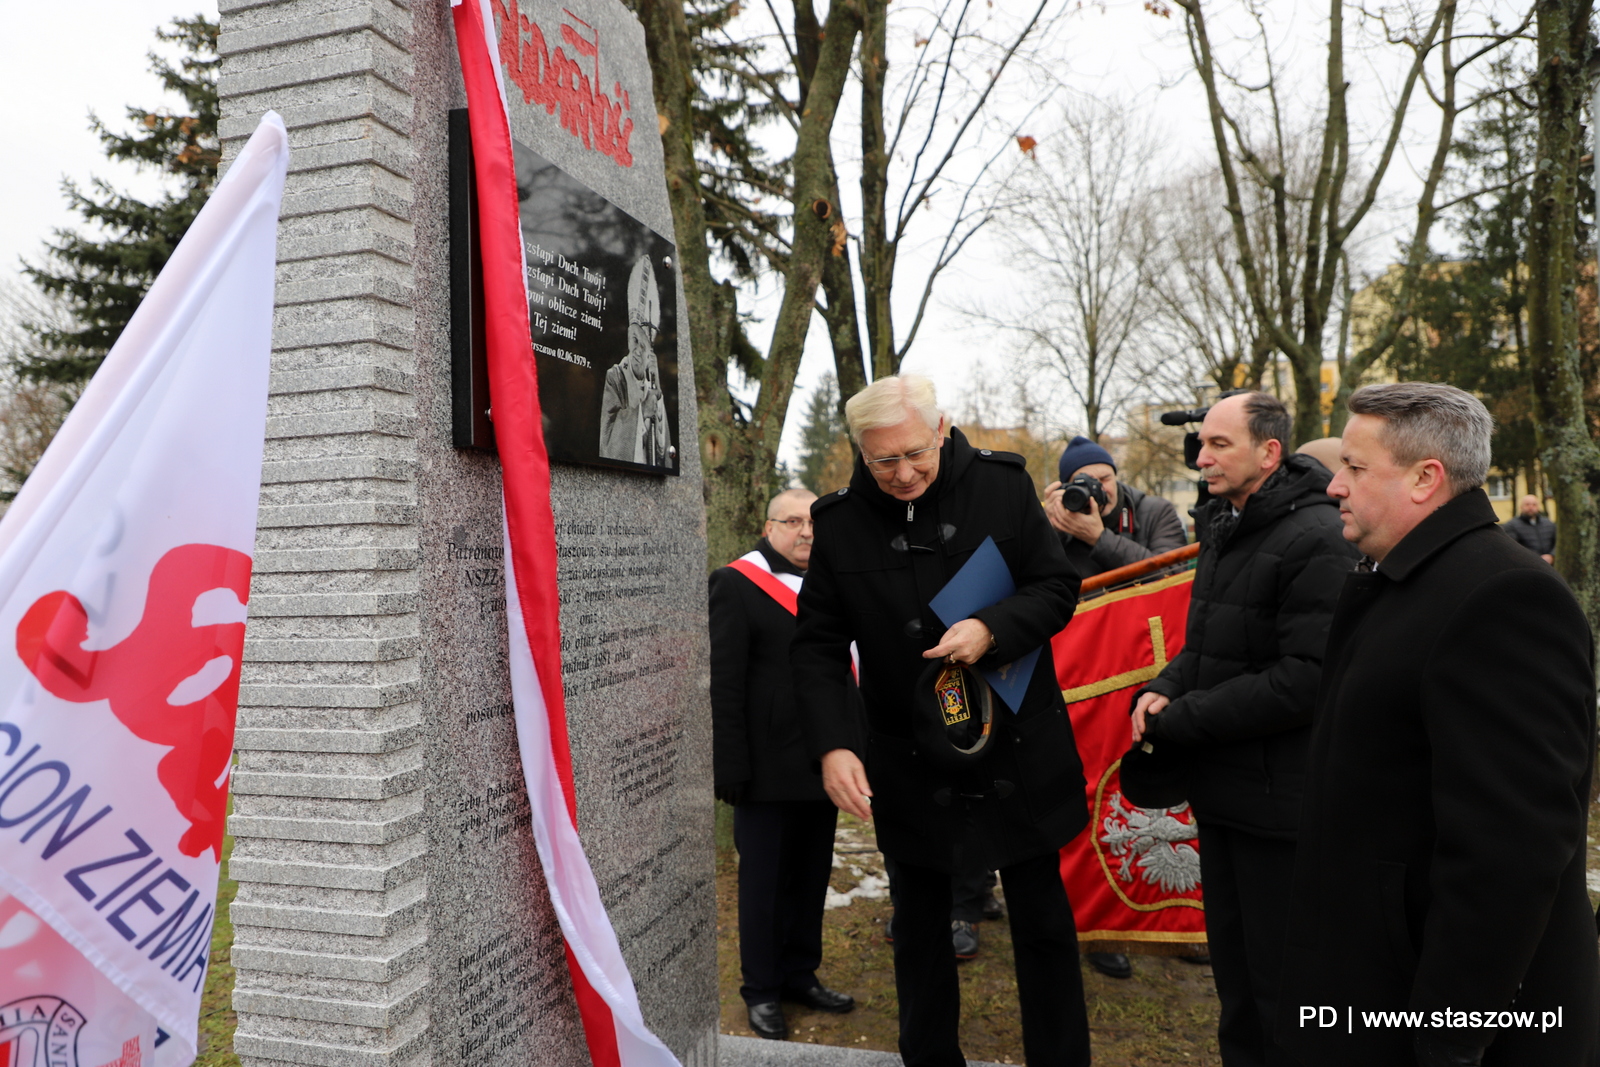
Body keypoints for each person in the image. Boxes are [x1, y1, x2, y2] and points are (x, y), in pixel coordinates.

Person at [1278, 383, 1598, 1067]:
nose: (1334, 485)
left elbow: (1509, 854)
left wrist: (1448, 1037)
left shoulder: (1503, 596)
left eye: (1355, 469)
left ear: (1427, 479)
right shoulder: (1405, 579)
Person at [792, 375, 1092, 1067]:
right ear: (860, 453)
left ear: (941, 428)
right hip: (912, 756)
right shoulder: (838, 523)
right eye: (881, 461)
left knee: (1043, 924)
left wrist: (992, 626)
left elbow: (1055, 586)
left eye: (913, 455)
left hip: (1016, 739)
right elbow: (815, 647)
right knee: (920, 930)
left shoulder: (1002, 486)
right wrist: (833, 744)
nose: (902, 474)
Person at [1130, 391, 1357, 1067]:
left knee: (1281, 993)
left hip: (1280, 808)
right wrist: (1163, 686)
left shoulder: (1315, 537)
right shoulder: (1230, 524)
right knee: (1236, 986)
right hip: (1228, 798)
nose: (1202, 456)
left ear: (1269, 451)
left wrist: (1188, 717)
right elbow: (1207, 646)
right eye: (1202, 443)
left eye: (1219, 444)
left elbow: (1309, 677)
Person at [709, 488, 856, 1041]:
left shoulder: (830, 585)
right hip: (766, 769)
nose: (806, 532)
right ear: (768, 526)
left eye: (814, 523)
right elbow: (723, 684)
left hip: (824, 762)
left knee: (812, 876)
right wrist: (731, 768)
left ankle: (800, 974)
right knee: (766, 886)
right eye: (793, 521)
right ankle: (762, 990)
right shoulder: (735, 584)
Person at [1042, 434, 1187, 980]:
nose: (1092, 492)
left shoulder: (1153, 512)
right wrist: (1051, 528)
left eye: (1101, 481)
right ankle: (1096, 921)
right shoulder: (1051, 523)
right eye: (1081, 484)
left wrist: (1098, 537)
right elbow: (1035, 587)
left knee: (1151, 796)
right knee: (1079, 794)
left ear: (1116, 480)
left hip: (1148, 673)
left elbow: (1168, 575)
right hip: (1076, 677)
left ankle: (1168, 914)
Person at [1045, 435, 1188, 580]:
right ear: (1066, 490)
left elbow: (1172, 575)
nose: (1099, 489)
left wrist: (1099, 538)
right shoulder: (1059, 525)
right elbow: (1038, 583)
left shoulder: (1158, 512)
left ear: (1116, 478)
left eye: (1104, 479)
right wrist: (1049, 531)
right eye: (1085, 484)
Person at [599, 254, 673, 465]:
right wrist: (641, 412)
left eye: (643, 344)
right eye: (634, 341)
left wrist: (656, 401)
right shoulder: (616, 377)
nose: (638, 350)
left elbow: (663, 451)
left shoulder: (653, 380)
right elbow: (608, 440)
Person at [1503, 492, 1556, 563]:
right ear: (1521, 507)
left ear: (1538, 507)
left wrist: (1552, 555)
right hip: (1527, 566)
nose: (1531, 507)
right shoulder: (1511, 526)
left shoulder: (1549, 524)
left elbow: (1557, 543)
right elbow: (1513, 548)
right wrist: (1535, 558)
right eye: (1527, 504)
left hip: (1550, 567)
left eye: (1534, 504)